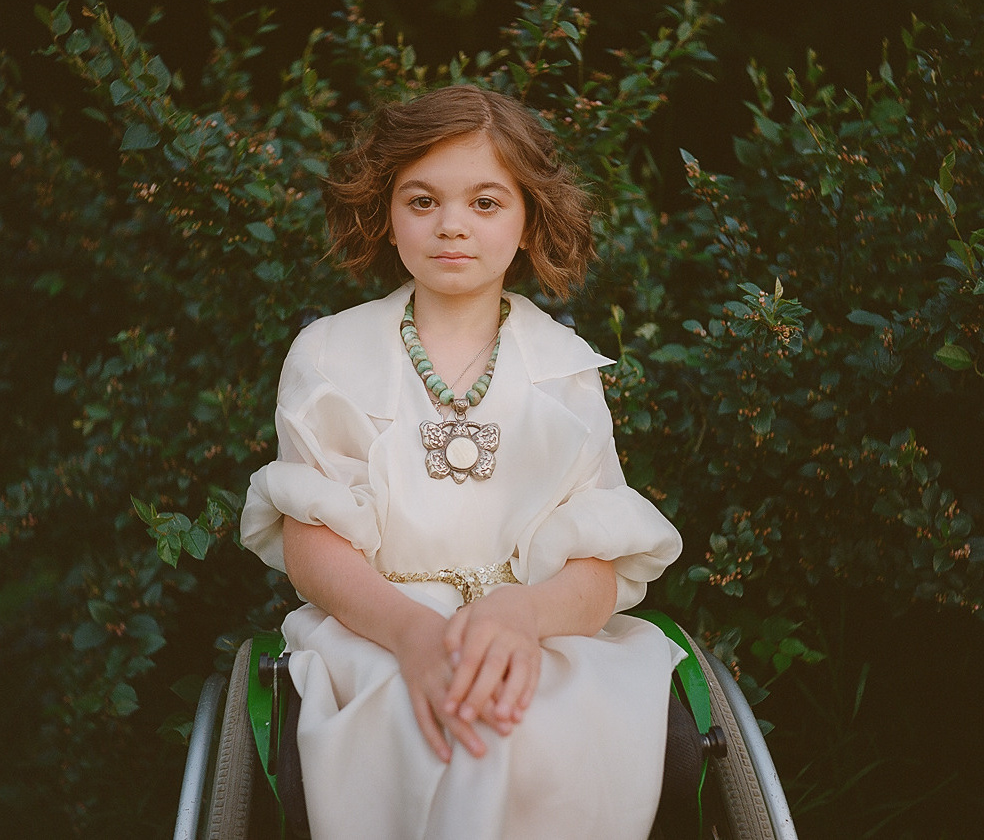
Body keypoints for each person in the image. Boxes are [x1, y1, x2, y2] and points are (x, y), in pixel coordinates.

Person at [240, 84, 684, 839]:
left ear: (527, 217)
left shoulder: (564, 368)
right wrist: (414, 636)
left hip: (534, 628)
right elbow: (310, 537)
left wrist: (520, 613)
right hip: (377, 630)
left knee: (536, 720)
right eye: (422, 201)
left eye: (485, 202)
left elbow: (601, 562)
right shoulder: (331, 355)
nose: (452, 225)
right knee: (428, 725)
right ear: (387, 212)